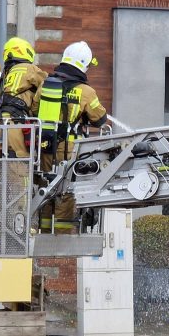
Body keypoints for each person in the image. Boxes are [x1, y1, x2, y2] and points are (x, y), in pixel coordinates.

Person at [36, 40, 109, 233]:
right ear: (83, 64)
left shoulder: (46, 85)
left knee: (46, 186)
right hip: (68, 150)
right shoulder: (86, 92)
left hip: (44, 147)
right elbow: (100, 119)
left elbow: (34, 110)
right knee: (65, 190)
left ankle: (44, 232)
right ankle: (60, 238)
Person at [0, 36, 47, 158]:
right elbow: (49, 85)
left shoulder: (3, 75)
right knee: (19, 165)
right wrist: (35, 110)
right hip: (16, 124)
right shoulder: (30, 68)